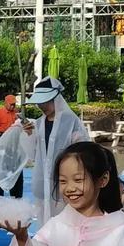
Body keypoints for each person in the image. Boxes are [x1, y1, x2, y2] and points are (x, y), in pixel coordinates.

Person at [20, 77, 89, 221]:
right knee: (44, 220)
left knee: (66, 219)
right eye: (39, 102)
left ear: (56, 99)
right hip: (42, 181)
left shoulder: (70, 121)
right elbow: (33, 154)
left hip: (65, 180)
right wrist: (29, 135)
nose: (42, 106)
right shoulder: (39, 123)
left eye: (46, 102)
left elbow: (83, 149)